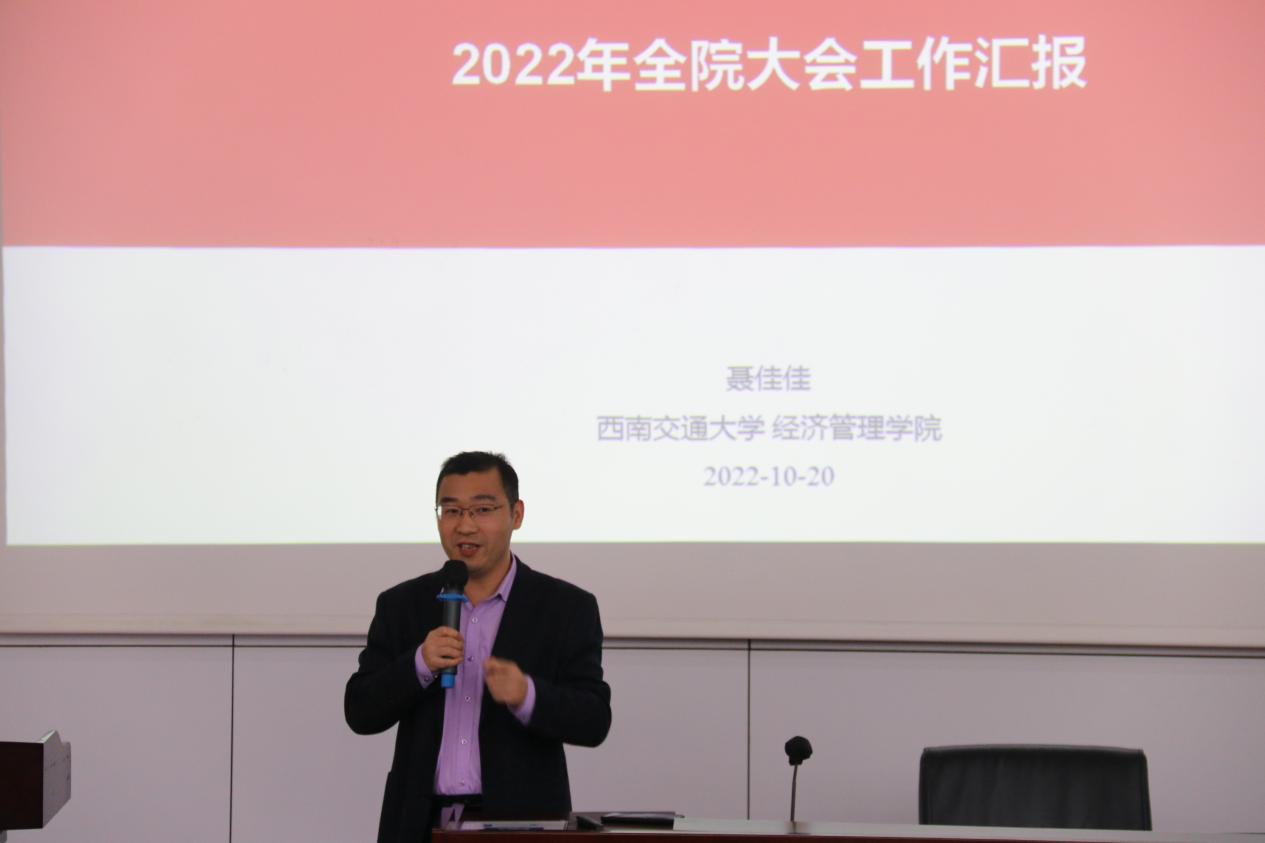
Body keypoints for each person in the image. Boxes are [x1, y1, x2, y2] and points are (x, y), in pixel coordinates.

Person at [345, 451, 611, 843]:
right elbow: (360, 711)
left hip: (523, 825)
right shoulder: (402, 604)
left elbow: (594, 720)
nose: (465, 526)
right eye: (451, 511)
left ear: (516, 514)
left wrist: (528, 695)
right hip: (418, 824)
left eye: (482, 510)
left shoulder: (565, 607)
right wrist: (418, 664)